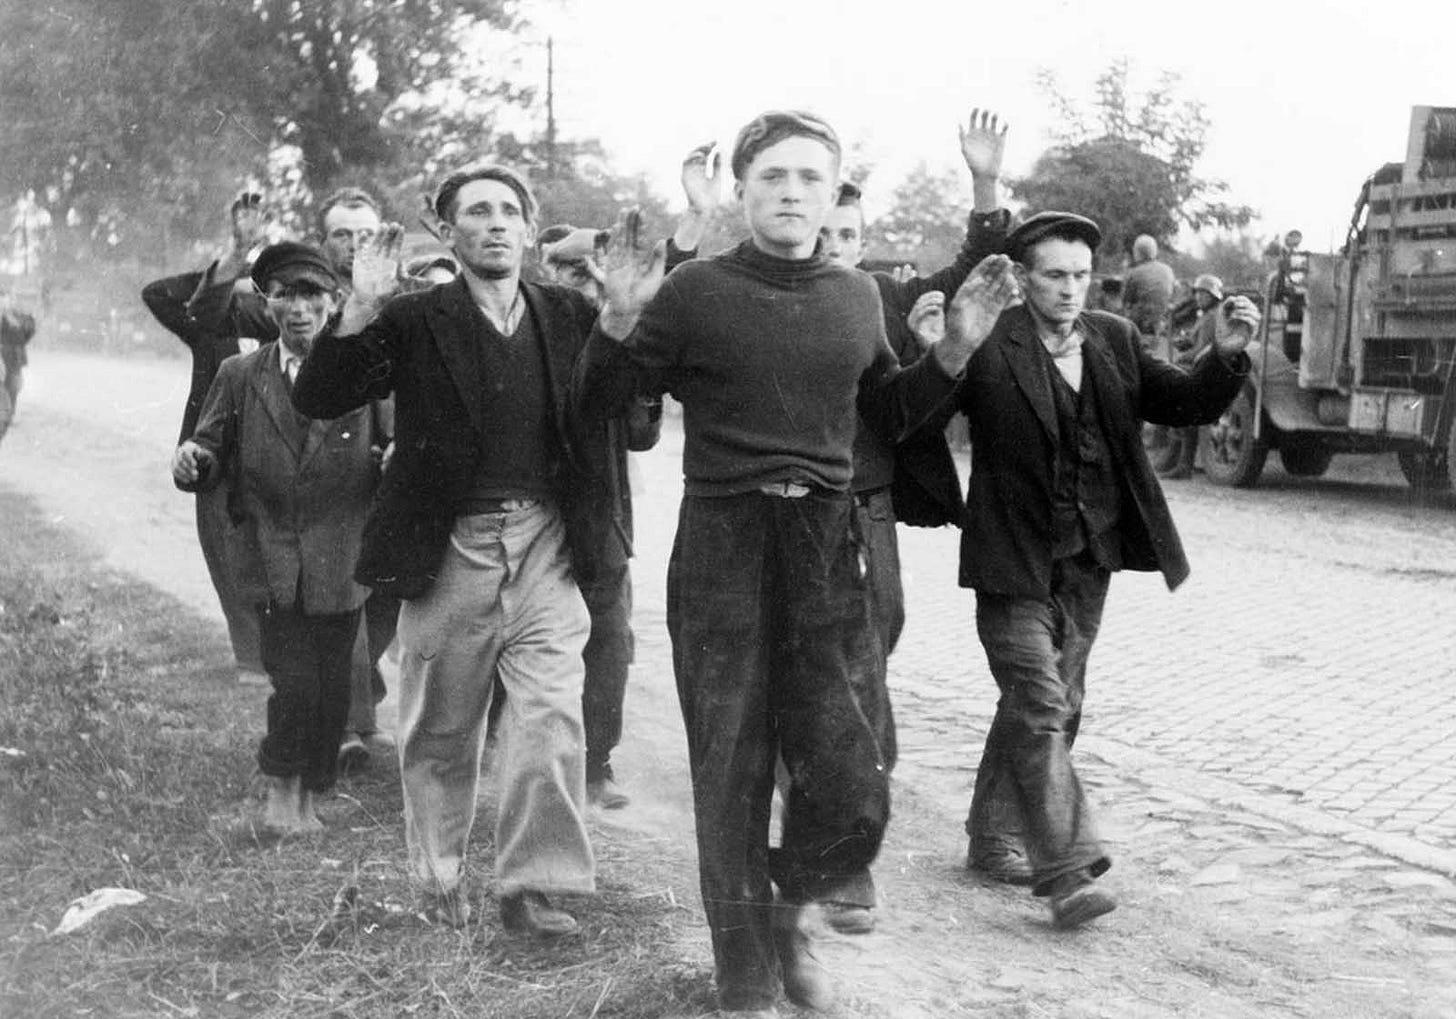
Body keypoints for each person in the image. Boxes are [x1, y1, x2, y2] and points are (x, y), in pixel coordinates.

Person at [574, 110, 1017, 1016]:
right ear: (740, 192)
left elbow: (890, 416)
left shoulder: (855, 296)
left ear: (833, 192)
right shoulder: (694, 291)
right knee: (731, 772)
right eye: (771, 176)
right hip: (723, 542)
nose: (789, 193)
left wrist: (957, 349)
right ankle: (743, 976)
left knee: (853, 780)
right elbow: (604, 408)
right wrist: (618, 319)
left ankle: (788, 913)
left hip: (827, 543)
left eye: (809, 178)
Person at [292, 163, 602, 938]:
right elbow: (319, 395)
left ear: (530, 228)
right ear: (445, 231)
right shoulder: (413, 318)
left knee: (550, 716)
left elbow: (627, 416)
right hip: (448, 544)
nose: (496, 224)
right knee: (439, 727)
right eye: (477, 212)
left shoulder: (569, 315)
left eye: (509, 211)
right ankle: (437, 880)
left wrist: (626, 313)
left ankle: (533, 885)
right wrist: (360, 302)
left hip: (547, 543)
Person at [932, 211, 1257, 928]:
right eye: (1055, 275)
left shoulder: (1113, 337)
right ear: (1023, 279)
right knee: (1041, 701)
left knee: (1051, 702)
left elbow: (1177, 400)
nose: (1072, 289)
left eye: (1082, 275)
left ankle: (992, 837)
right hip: (1010, 558)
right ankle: (1068, 869)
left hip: (1090, 556)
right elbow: (922, 410)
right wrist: (944, 346)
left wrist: (1226, 356)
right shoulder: (991, 337)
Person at [804, 108, 1010, 936]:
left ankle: (843, 836)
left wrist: (985, 183)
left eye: (847, 233)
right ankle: (841, 858)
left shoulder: (879, 301)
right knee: (813, 675)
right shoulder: (758, 299)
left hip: (868, 517)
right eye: (822, 233)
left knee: (867, 662)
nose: (834, 246)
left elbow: (967, 272)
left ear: (861, 239)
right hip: (781, 517)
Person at [171, 242, 386, 835]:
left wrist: (391, 463)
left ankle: (311, 791)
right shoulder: (239, 374)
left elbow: (394, 448)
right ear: (266, 304)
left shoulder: (365, 374)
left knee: (333, 686)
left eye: (312, 294)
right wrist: (194, 460)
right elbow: (210, 447)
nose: (299, 308)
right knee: (292, 678)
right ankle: (280, 795)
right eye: (285, 295)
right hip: (268, 556)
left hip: (341, 558)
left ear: (335, 301)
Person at [529, 144, 720, 809]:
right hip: (522, 519)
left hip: (597, 517)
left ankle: (596, 763)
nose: (583, 282)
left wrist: (693, 224)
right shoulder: (519, 328)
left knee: (607, 645)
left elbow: (640, 426)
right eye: (568, 269)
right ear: (540, 267)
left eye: (592, 270)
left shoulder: (613, 330)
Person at [143, 193, 271, 687]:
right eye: (251, 284)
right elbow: (157, 293)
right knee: (224, 550)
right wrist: (233, 262)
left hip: (275, 450)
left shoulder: (286, 323)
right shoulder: (207, 326)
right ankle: (250, 658)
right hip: (216, 450)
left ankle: (282, 651)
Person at [1160, 273, 1225, 479]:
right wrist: (1185, 342)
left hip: (1203, 369)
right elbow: (1196, 343)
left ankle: (1183, 463)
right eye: (1197, 293)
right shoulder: (1206, 315)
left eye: (1204, 294)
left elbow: (1202, 350)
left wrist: (1183, 354)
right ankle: (1174, 456)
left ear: (1214, 296)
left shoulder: (1211, 317)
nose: (1199, 298)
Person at [1122, 234, 1176, 356]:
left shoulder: (1134, 273)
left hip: (1140, 325)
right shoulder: (1168, 271)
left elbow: (1126, 301)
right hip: (1162, 323)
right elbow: (1172, 296)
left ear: (1137, 252)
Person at [0, 288, 37, 442]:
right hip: (5, 355)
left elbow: (28, 331)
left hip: (13, 356)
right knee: (8, 388)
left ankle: (9, 415)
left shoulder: (19, 316)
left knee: (13, 386)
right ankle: (6, 415)